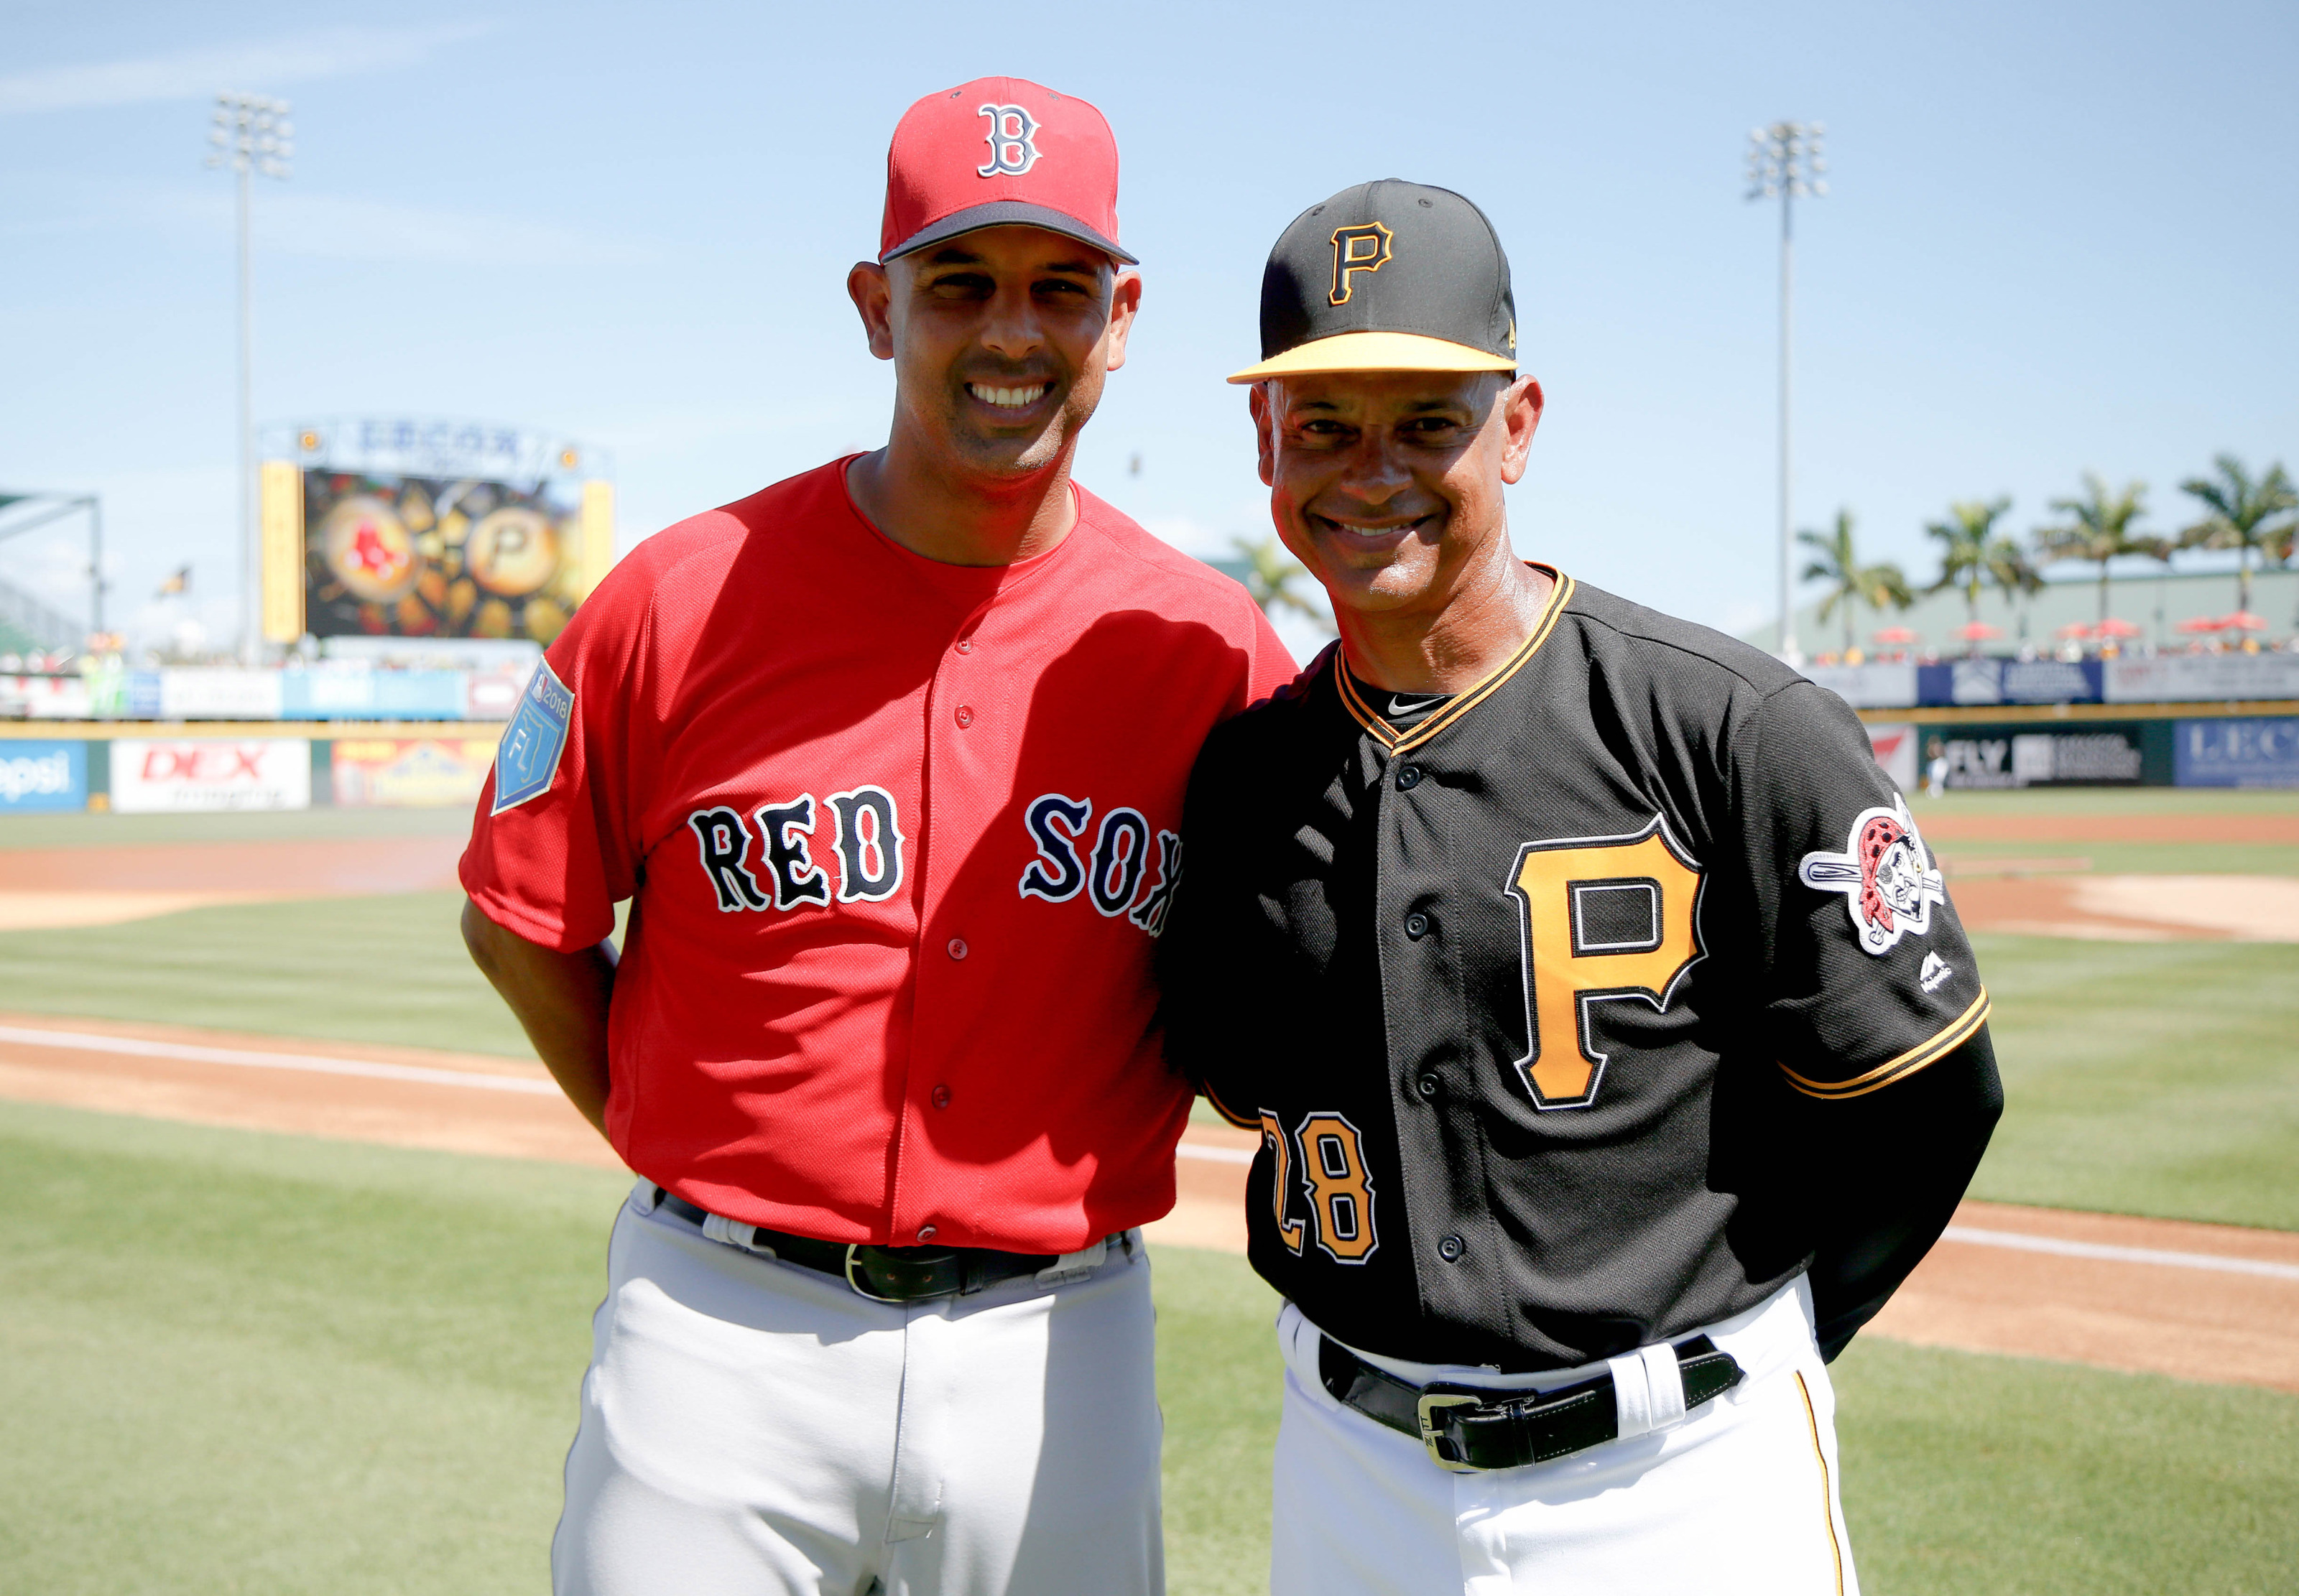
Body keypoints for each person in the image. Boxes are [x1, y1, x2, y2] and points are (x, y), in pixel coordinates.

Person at [459, 78, 1293, 1596]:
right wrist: (675, 1135)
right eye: (959, 282)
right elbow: (520, 918)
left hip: (1059, 1337)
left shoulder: (1211, 645)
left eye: (1059, 287)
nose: (1009, 333)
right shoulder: (676, 595)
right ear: (875, 303)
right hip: (718, 1327)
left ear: (1120, 317)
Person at [1160, 180, 2002, 1596]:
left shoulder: (1732, 722)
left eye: (1428, 420)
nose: (1373, 471)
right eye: (1324, 425)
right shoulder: (1243, 779)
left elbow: (1931, 1107)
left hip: (1681, 1485)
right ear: (1265, 441)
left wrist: (1751, 1355)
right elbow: (1243, 1090)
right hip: (1349, 1468)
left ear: (1521, 424)